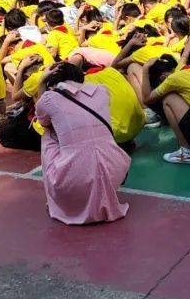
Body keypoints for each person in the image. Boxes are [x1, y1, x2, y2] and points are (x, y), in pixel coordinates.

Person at [34, 62, 131, 225]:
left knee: (48, 134)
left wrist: (42, 83)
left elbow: (43, 121)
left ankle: (61, 197)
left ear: (53, 82)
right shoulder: (102, 90)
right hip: (114, 169)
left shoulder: (50, 98)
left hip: (74, 178)